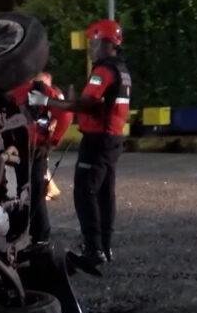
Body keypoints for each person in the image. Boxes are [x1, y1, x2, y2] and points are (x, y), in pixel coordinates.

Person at [28, 19, 131, 275]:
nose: (91, 48)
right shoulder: (122, 69)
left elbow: (84, 105)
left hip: (98, 140)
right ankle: (104, 248)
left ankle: (92, 251)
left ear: (102, 41)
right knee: (105, 194)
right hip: (113, 139)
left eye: (92, 42)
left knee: (85, 193)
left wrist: (46, 100)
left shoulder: (103, 71)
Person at [11, 72, 72, 248]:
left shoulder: (34, 90)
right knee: (22, 192)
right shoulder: (9, 91)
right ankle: (28, 233)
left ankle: (39, 236)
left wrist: (53, 141)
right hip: (19, 150)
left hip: (30, 149)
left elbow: (65, 114)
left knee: (33, 192)